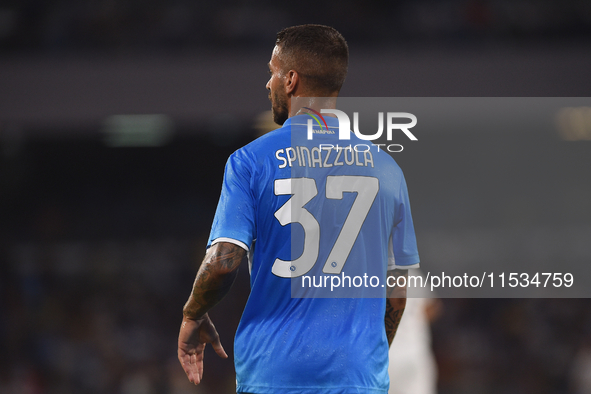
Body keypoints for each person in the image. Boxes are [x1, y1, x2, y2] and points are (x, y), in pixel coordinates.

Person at [178, 24, 420, 393]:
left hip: (275, 372)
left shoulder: (250, 161)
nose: (267, 84)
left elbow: (225, 259)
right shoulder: (388, 170)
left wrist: (193, 313)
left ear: (290, 80)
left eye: (271, 73)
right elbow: (397, 291)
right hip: (357, 378)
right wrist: (363, 359)